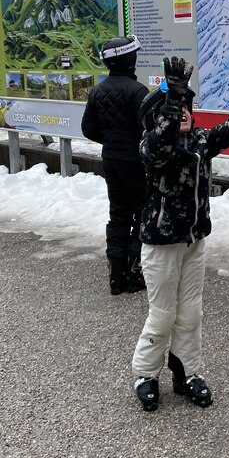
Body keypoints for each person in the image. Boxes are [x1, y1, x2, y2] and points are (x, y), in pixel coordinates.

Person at [131, 52, 229, 412]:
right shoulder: (151, 146)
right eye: (175, 109)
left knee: (191, 312)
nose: (184, 113)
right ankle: (146, 375)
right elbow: (159, 150)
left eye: (187, 107)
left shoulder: (201, 142)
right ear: (159, 116)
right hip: (161, 243)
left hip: (193, 242)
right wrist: (173, 97)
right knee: (163, 313)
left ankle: (186, 372)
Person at [81, 36, 149, 294]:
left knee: (118, 214)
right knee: (142, 212)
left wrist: (111, 140)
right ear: (130, 60)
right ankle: (134, 274)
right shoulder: (138, 91)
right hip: (136, 162)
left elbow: (88, 129)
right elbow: (148, 129)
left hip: (111, 159)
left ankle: (115, 276)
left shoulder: (97, 92)